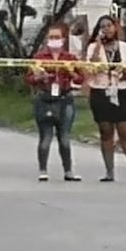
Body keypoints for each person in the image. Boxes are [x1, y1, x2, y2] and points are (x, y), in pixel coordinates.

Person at [84, 16, 126, 183]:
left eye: (109, 26)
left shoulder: (125, 47)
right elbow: (92, 67)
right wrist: (98, 44)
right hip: (101, 91)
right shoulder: (92, 47)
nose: (106, 29)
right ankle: (109, 171)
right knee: (106, 131)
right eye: (102, 26)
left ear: (115, 28)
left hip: (122, 91)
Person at [25, 23, 83, 182]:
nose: (54, 40)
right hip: (45, 98)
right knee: (45, 137)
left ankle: (68, 170)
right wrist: (38, 77)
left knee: (64, 137)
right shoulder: (40, 58)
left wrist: (71, 72)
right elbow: (29, 78)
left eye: (57, 37)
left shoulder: (70, 58)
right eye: (51, 37)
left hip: (65, 99)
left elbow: (80, 78)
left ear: (63, 39)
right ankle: (43, 170)